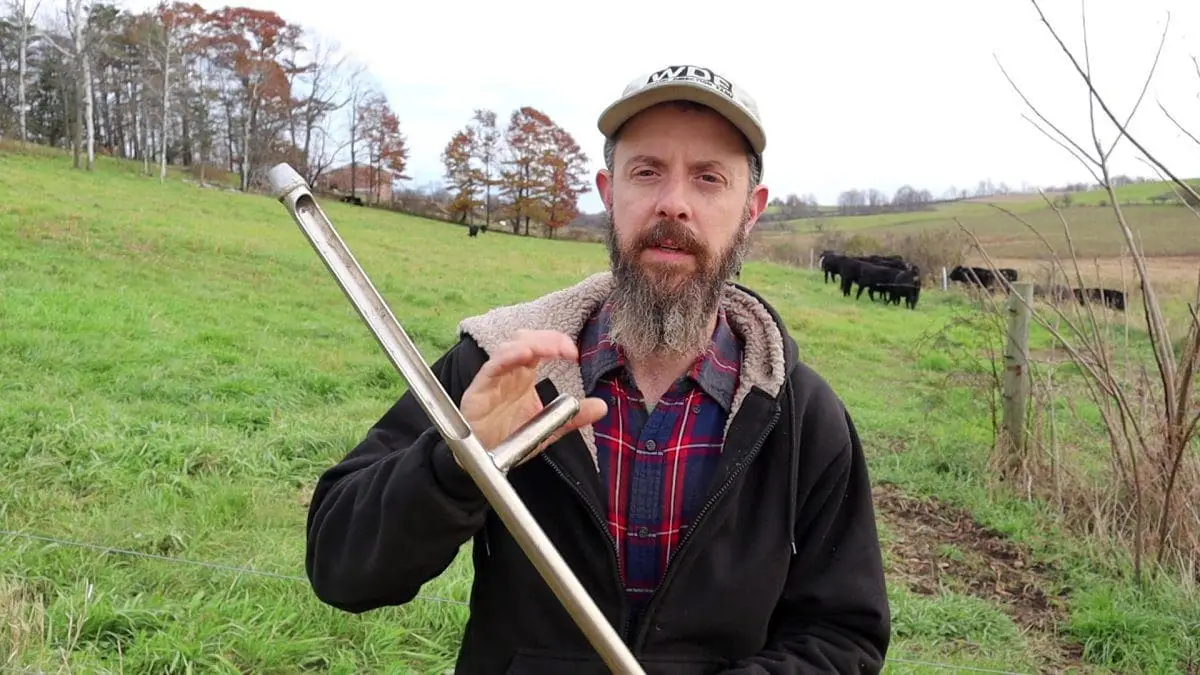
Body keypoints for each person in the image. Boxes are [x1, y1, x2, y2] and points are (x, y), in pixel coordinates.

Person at [305, 64, 892, 674]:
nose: (674, 203)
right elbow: (339, 569)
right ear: (610, 194)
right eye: (647, 172)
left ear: (751, 211)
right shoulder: (504, 369)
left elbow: (842, 637)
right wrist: (454, 464)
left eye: (709, 179)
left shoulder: (801, 416)